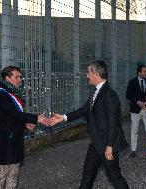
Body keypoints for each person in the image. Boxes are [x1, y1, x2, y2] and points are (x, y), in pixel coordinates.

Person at [51, 60, 129, 189]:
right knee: (87, 175)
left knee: (115, 177)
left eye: (88, 72)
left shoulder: (109, 94)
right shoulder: (97, 91)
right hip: (97, 143)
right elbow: (84, 110)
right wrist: (63, 117)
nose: (87, 75)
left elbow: (113, 123)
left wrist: (109, 146)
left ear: (96, 74)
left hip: (107, 145)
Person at [0, 66, 50, 189]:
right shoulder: (1, 94)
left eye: (20, 77)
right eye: (16, 77)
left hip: (13, 138)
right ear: (7, 78)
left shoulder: (11, 93)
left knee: (14, 171)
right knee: (3, 172)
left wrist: (24, 124)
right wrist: (36, 118)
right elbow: (14, 114)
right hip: (6, 139)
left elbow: (11, 117)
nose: (20, 80)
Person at [126, 65, 146, 158]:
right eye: (144, 71)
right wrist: (137, 102)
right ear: (139, 72)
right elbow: (128, 95)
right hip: (135, 110)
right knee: (134, 130)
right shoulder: (132, 82)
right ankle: (133, 151)